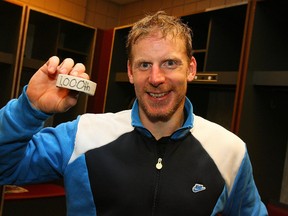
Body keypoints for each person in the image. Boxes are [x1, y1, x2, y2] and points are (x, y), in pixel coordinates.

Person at [0, 11, 267, 216]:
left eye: (170, 63)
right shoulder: (82, 134)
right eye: (144, 65)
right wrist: (28, 109)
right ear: (130, 72)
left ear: (191, 68)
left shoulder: (230, 150)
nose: (156, 78)